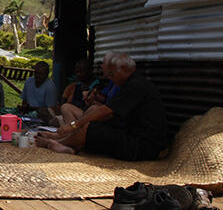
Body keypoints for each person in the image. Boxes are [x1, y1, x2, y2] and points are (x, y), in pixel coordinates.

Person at [35, 52, 168, 161]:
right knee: (92, 116)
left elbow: (107, 111)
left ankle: (60, 143)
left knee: (90, 128)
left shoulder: (137, 85)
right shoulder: (131, 83)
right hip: (129, 134)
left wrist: (73, 125)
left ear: (121, 70)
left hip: (141, 146)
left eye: (111, 75)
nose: (111, 79)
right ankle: (62, 140)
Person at [59, 59, 101, 125]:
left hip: (87, 117)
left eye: (81, 72)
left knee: (66, 108)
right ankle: (72, 128)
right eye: (77, 72)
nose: (78, 74)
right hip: (76, 117)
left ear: (89, 71)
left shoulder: (97, 86)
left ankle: (72, 130)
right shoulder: (78, 86)